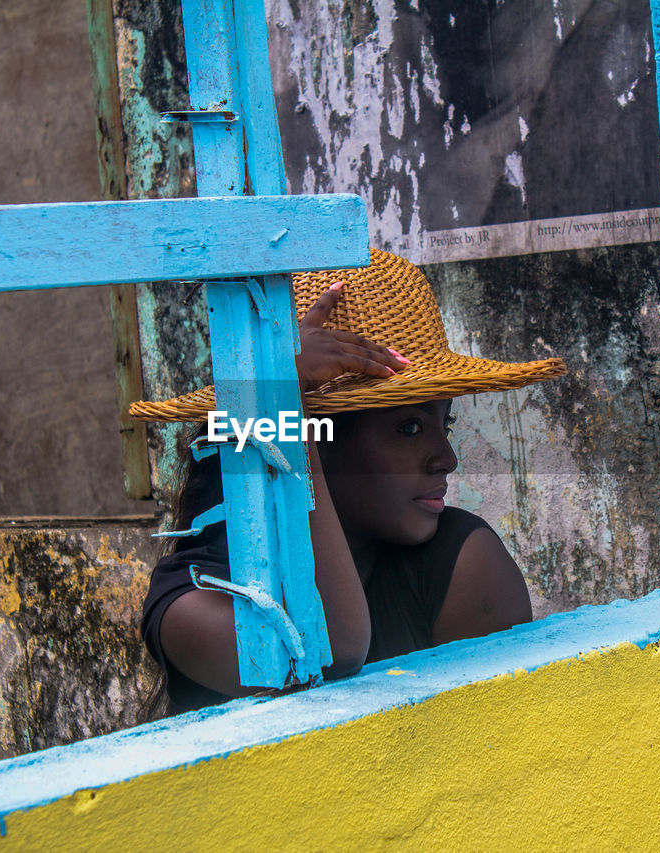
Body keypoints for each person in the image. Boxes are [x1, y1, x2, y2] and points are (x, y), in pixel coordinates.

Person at [130, 249, 565, 712]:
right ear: (312, 440)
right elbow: (328, 652)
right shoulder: (190, 599)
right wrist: (279, 395)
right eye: (410, 429)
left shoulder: (460, 563)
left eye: (446, 425)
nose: (448, 459)